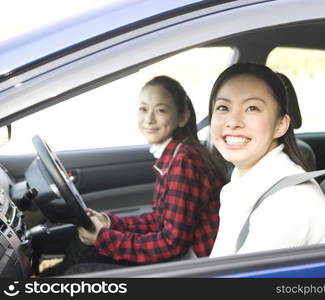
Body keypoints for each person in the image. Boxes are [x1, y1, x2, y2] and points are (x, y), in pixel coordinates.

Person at [42, 76, 225, 275]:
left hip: (190, 267)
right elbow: (160, 220)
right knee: (83, 247)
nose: (149, 119)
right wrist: (108, 222)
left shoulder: (185, 160)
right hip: (178, 258)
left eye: (161, 110)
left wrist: (104, 238)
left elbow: (172, 244)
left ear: (182, 117)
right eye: (143, 109)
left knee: (79, 273)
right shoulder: (174, 154)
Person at [208, 63, 325, 257]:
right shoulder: (245, 182)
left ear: (280, 125)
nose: (233, 121)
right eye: (223, 107)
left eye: (252, 108)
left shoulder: (288, 202)